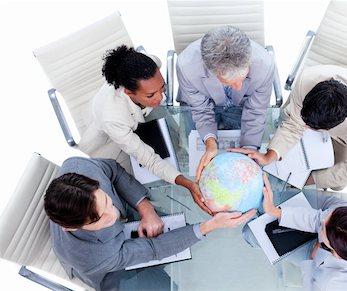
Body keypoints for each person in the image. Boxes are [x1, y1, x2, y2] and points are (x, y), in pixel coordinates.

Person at [44, 156, 256, 290]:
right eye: (102, 217)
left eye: (108, 201)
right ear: (70, 227)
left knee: (174, 221)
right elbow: (154, 249)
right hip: (115, 274)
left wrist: (146, 208)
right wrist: (210, 226)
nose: (113, 214)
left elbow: (114, 171)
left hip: (127, 233)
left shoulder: (78, 166)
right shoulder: (97, 258)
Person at [79, 45, 211, 213]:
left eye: (162, 88)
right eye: (151, 95)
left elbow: (155, 89)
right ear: (129, 92)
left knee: (174, 144)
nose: (160, 97)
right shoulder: (112, 117)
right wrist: (186, 183)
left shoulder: (151, 64)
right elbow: (148, 159)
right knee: (143, 180)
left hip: (142, 112)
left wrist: (151, 98)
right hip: (111, 139)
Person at [232, 65, 347, 190]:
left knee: (338, 185)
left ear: (329, 128)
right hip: (327, 102)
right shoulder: (307, 79)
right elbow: (294, 125)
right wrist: (268, 157)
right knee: (284, 125)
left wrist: (308, 180)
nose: (304, 127)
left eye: (310, 127)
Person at [176, 25, 275, 181]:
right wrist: (210, 143)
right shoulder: (186, 66)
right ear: (211, 71)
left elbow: (255, 112)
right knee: (191, 155)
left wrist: (248, 155)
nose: (239, 87)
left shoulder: (265, 64)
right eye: (229, 82)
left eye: (243, 78)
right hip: (204, 102)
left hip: (242, 106)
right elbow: (201, 110)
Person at [260, 173, 347, 290]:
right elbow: (317, 218)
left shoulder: (329, 285)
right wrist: (275, 211)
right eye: (326, 220)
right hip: (330, 210)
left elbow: (309, 282)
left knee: (255, 235)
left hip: (316, 258)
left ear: (335, 254)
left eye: (323, 227)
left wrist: (314, 255)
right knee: (271, 200)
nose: (322, 222)